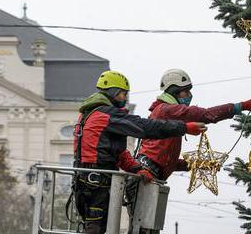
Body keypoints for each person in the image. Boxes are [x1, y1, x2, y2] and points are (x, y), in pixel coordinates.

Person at [126, 69, 251, 230]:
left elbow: (165, 161)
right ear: (174, 91)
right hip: (146, 176)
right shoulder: (168, 110)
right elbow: (207, 115)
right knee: (143, 229)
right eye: (186, 91)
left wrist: (196, 165)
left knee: (147, 229)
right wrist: (240, 106)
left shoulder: (165, 113)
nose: (189, 95)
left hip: (151, 176)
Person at [73, 70, 206, 234]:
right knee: (96, 229)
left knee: (97, 227)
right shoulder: (106, 115)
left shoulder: (87, 115)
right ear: (112, 93)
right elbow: (145, 127)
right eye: (122, 94)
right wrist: (184, 127)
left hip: (85, 183)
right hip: (97, 184)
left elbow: (120, 155)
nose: (124, 99)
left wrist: (138, 169)